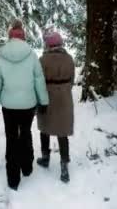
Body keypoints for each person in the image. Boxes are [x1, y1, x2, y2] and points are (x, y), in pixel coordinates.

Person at [0, 19, 49, 190]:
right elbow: (39, 80)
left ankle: (13, 178)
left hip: (9, 105)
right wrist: (43, 101)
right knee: (25, 133)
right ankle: (27, 166)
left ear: (10, 37)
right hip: (28, 105)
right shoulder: (31, 55)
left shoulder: (2, 56)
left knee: (11, 139)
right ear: (23, 37)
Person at [36, 29, 75, 183]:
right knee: (62, 131)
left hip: (47, 96)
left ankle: (45, 157)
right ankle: (64, 165)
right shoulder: (69, 59)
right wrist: (64, 89)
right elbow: (72, 80)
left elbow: (38, 81)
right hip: (64, 97)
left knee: (44, 129)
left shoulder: (42, 60)